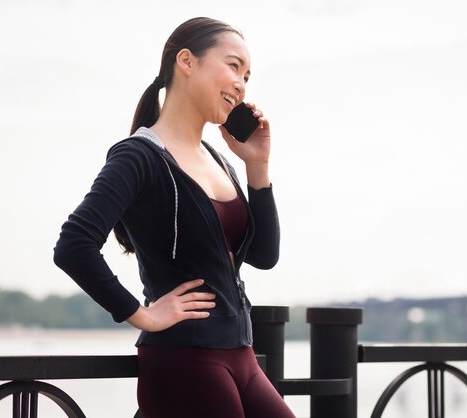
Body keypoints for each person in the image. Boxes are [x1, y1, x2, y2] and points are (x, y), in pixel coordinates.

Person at [53, 17, 295, 418]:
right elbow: (73, 245)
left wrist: (258, 166)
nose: (242, 84)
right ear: (187, 61)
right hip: (185, 359)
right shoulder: (137, 156)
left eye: (248, 76)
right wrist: (140, 314)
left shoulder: (217, 158)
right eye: (234, 66)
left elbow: (264, 255)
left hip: (242, 357)